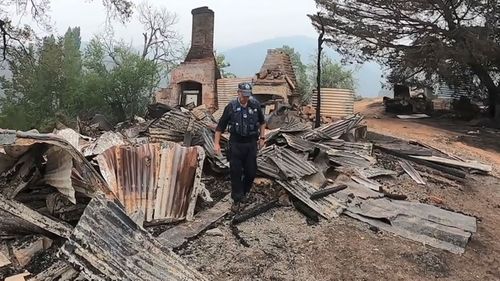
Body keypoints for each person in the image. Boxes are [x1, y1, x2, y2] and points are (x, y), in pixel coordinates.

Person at [214, 82, 266, 212]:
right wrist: (216, 144)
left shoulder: (255, 105)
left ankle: (245, 191)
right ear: (238, 93)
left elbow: (263, 122)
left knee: (251, 171)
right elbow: (219, 128)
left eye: (248, 96)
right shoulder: (231, 107)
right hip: (236, 144)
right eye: (244, 95)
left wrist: (262, 138)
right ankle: (237, 199)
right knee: (236, 172)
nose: (246, 98)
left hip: (251, 144)